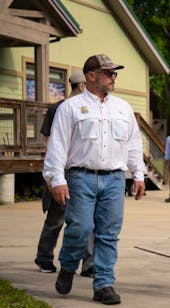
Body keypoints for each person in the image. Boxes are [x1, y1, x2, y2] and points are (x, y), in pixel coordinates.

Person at [43, 54, 146, 305]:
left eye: (114, 73)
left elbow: (133, 144)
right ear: (91, 76)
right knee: (80, 228)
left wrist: (139, 174)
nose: (113, 77)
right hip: (80, 177)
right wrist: (56, 179)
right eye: (108, 73)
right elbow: (57, 145)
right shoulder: (70, 107)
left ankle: (103, 284)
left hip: (114, 180)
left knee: (109, 234)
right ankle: (67, 266)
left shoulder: (122, 108)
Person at [35, 70, 94, 278]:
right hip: (63, 171)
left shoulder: (92, 107)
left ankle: (88, 264)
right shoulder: (59, 108)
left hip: (81, 173)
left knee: (86, 219)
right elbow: (51, 142)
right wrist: (53, 176)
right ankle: (44, 258)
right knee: (57, 218)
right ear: (81, 86)